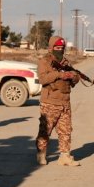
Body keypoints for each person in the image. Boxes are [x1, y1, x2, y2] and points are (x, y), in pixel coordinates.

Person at [36, 36, 81, 166]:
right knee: (46, 130)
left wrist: (74, 77)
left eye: (62, 48)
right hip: (50, 101)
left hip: (65, 102)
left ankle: (65, 156)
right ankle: (41, 153)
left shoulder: (66, 62)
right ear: (51, 48)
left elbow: (74, 80)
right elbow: (43, 79)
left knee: (66, 131)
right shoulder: (44, 61)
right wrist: (60, 74)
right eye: (57, 48)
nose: (60, 50)